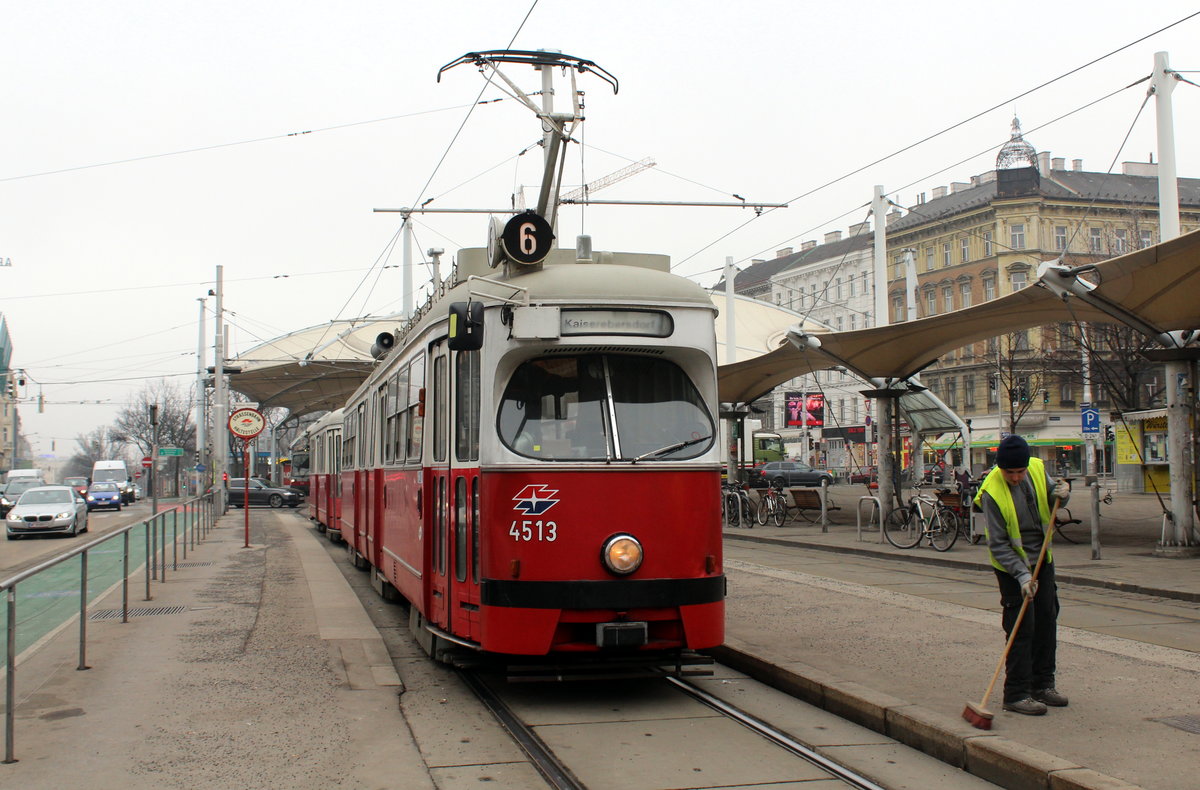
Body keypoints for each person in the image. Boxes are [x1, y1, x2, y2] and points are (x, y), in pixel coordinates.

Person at [974, 435, 1071, 716]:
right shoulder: (991, 492)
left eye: (1020, 471)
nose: (1015, 478)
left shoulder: (1038, 469)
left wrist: (1062, 494)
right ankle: (1016, 693)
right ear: (1000, 468)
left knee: (1046, 619)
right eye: (1009, 473)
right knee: (1021, 627)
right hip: (1011, 567)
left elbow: (1053, 499)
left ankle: (1043, 685)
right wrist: (1022, 577)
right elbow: (999, 544)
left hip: (1042, 559)